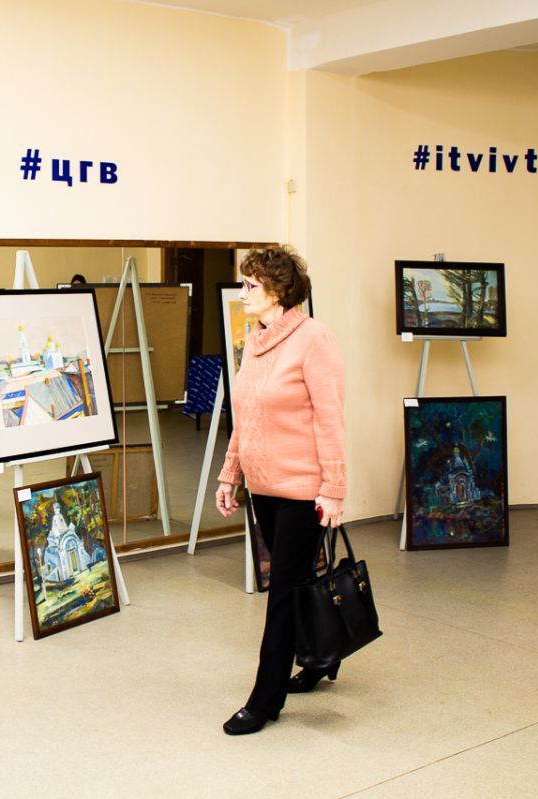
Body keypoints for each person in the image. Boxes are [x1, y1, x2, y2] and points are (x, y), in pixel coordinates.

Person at [214, 245, 346, 736]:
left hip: (303, 491)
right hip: (264, 487)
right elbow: (244, 416)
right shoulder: (256, 341)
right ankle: (319, 659)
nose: (242, 292)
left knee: (283, 594)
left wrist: (334, 488)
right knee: (296, 583)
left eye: (250, 285)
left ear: (278, 290)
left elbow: (331, 419)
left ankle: (265, 699)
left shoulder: (314, 339)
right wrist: (230, 474)